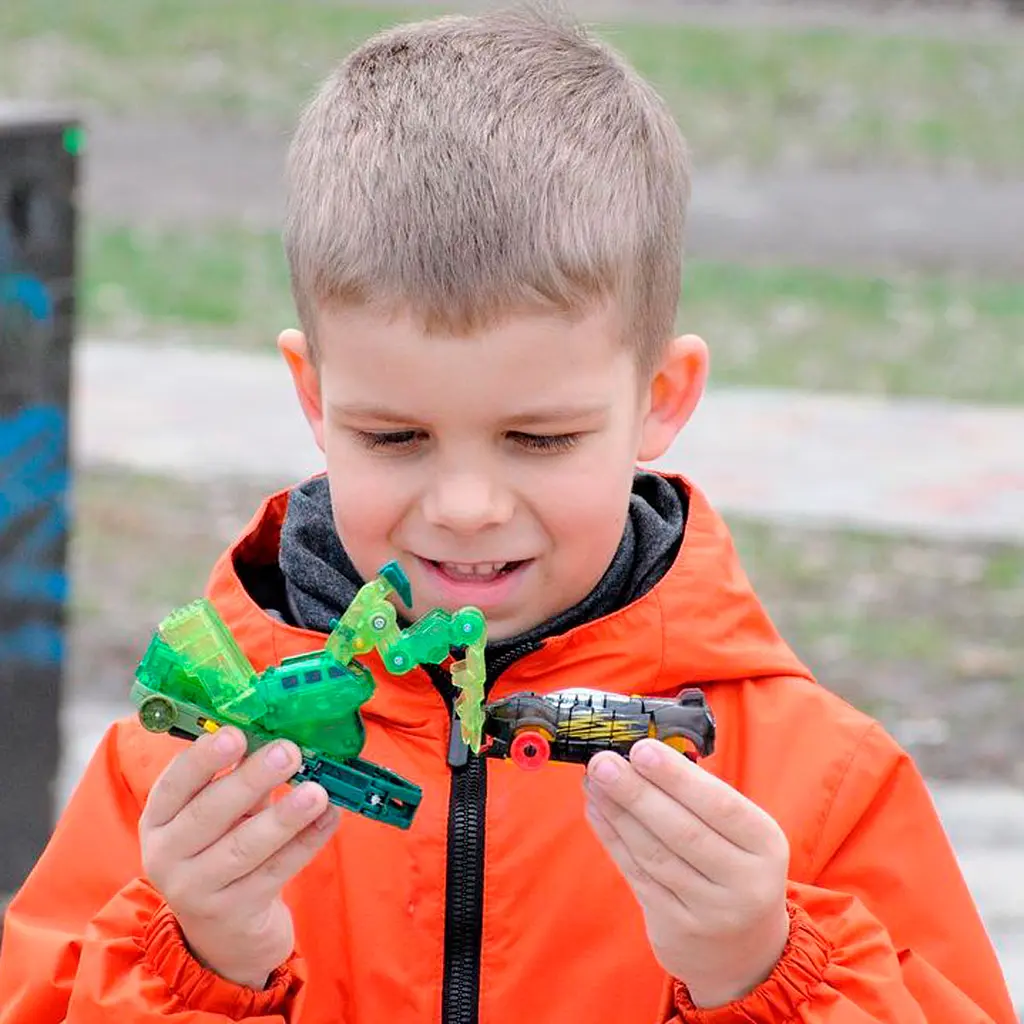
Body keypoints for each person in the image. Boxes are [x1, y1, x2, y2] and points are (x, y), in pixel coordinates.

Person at [0, 7, 1016, 1023]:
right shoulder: (182, 773)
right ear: (313, 396)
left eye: (539, 440)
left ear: (660, 396)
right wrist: (202, 968)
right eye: (396, 438)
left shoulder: (816, 783)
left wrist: (762, 975)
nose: (467, 508)